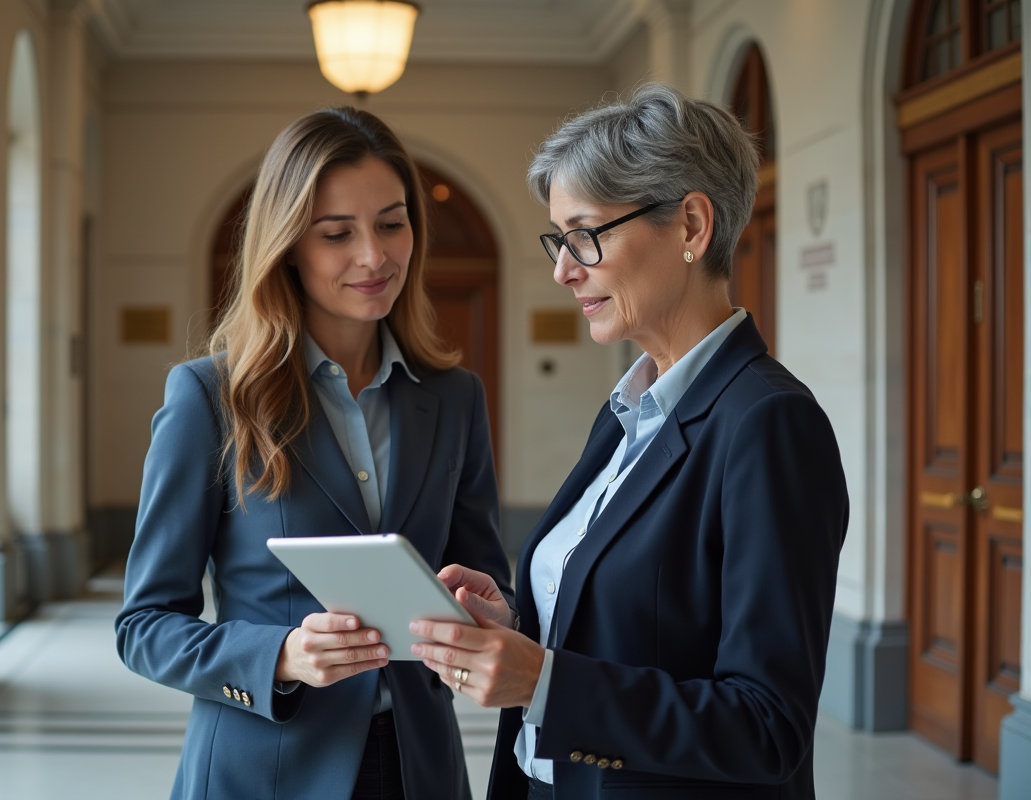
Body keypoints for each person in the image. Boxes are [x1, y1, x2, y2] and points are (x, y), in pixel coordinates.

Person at [412, 83, 849, 799]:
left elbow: (768, 728)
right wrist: (520, 621)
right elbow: (650, 625)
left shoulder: (768, 424)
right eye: (559, 240)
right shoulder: (628, 410)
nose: (563, 269)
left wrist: (544, 681)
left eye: (586, 234)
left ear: (692, 227)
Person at [116, 106, 512, 800]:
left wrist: (488, 614)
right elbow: (145, 627)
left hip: (421, 768)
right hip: (262, 769)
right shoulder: (210, 398)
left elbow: (485, 580)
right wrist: (281, 656)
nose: (375, 255)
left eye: (392, 223)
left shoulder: (454, 398)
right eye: (338, 234)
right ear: (289, 245)